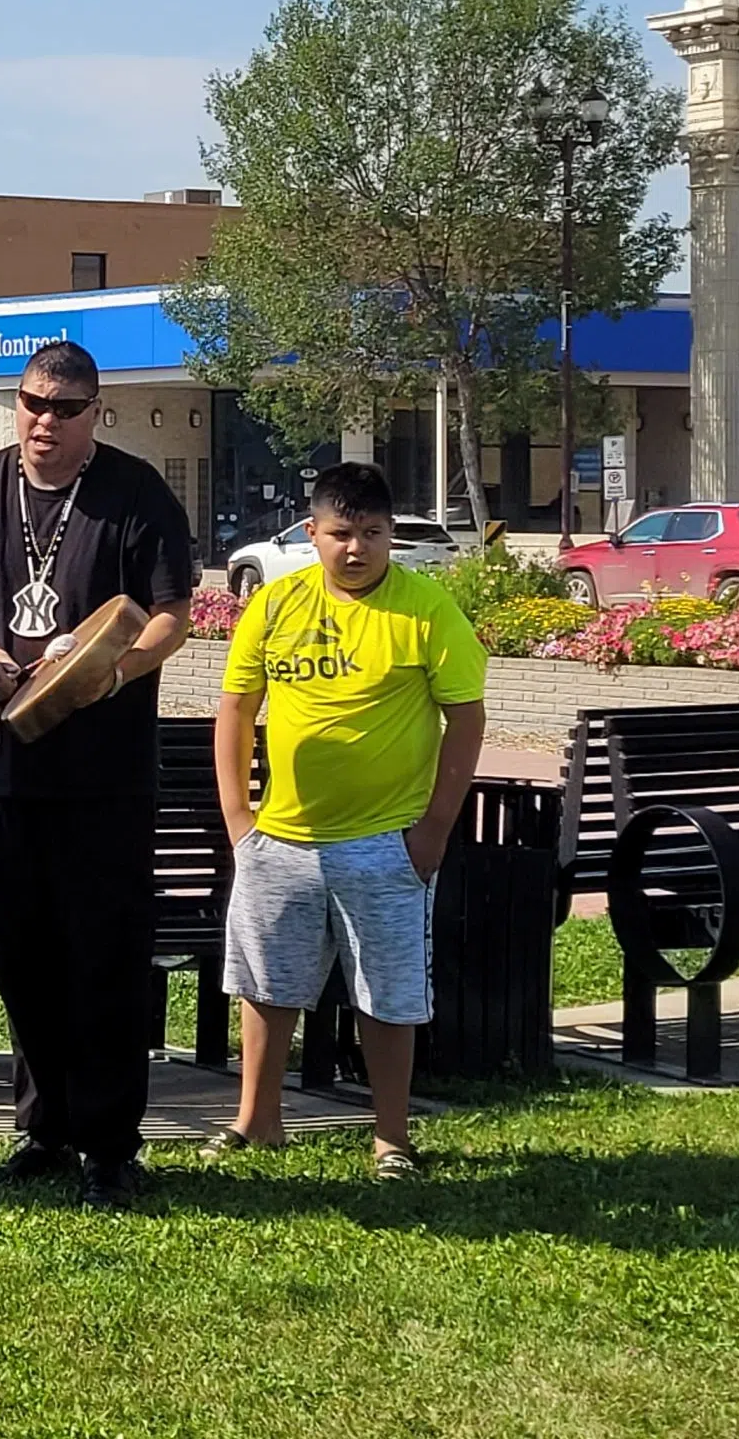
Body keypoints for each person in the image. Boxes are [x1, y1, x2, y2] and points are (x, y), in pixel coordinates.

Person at [0, 340, 194, 1210]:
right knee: (20, 955)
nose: (45, 423)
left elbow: (171, 614)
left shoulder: (135, 492)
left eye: (65, 409)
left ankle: (110, 1146)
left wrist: (109, 671)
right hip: (4, 768)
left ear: (95, 413)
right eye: (33, 403)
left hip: (106, 776)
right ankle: (44, 1132)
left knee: (103, 958)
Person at [206, 461, 487, 1179]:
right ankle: (256, 1121)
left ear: (391, 535)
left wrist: (432, 832)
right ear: (312, 533)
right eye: (341, 534)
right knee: (266, 985)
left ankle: (391, 1138)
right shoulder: (276, 605)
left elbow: (466, 718)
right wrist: (240, 818)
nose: (356, 548)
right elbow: (237, 708)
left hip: (385, 843)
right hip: (281, 840)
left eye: (373, 534)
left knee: (388, 993)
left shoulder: (425, 610)